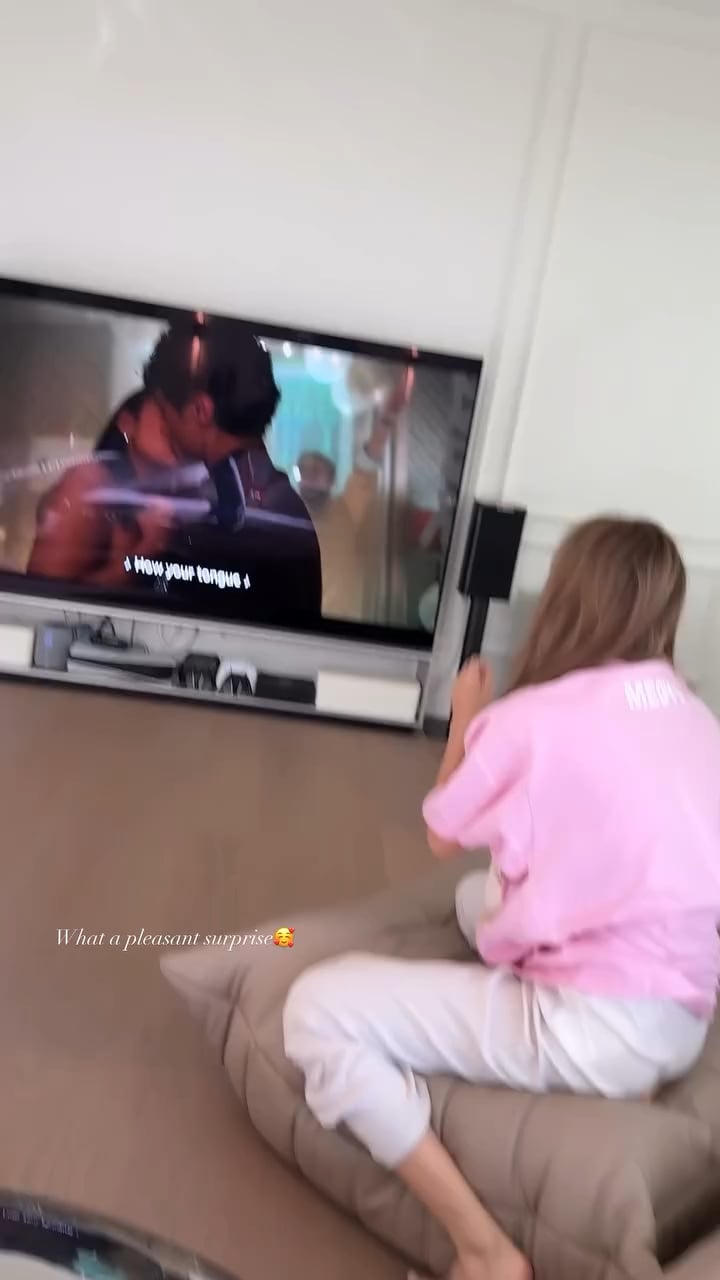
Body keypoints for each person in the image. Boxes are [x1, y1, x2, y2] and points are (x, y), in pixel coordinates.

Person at [282, 516, 720, 1280]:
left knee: (316, 1009)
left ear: (564, 598)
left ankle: (484, 1250)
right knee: (474, 898)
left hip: (596, 1027)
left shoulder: (533, 721)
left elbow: (442, 831)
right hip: (682, 1014)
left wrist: (465, 715)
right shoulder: (695, 717)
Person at [27, 319, 322, 623]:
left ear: (200, 411)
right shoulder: (284, 508)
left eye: (165, 412)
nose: (165, 427)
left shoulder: (228, 510)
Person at [295, 369, 413, 620]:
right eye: (304, 471)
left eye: (316, 470)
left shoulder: (345, 510)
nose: (309, 476)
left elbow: (367, 463)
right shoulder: (285, 518)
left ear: (331, 481)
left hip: (341, 628)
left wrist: (387, 417)